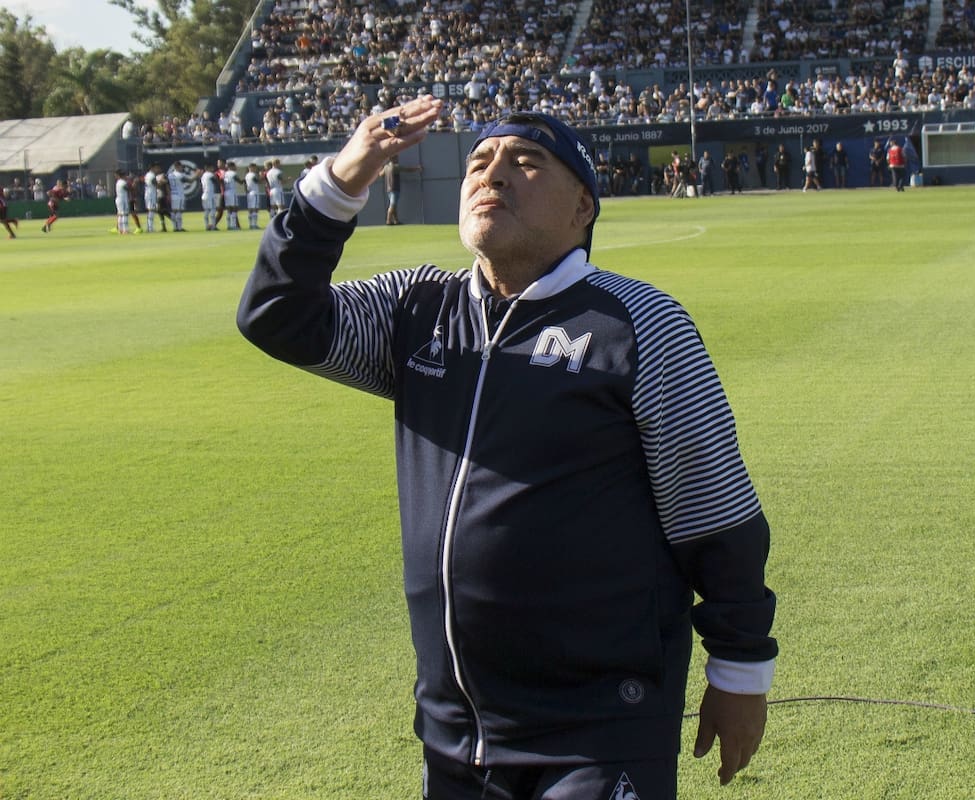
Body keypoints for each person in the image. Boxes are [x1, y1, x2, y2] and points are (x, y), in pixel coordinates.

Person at [237, 98, 777, 800]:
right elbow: (278, 316)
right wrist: (343, 178)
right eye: (479, 163)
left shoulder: (637, 323)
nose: (494, 174)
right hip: (453, 733)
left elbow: (715, 512)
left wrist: (739, 672)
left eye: (527, 163)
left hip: (598, 730)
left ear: (583, 206)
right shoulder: (416, 310)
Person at [222, 161, 241, 230]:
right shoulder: (233, 173)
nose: (235, 167)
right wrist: (244, 180)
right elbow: (240, 181)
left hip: (226, 192)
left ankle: (229, 225)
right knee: (234, 209)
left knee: (228, 210)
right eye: (234, 166)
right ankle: (233, 226)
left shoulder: (224, 174)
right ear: (232, 166)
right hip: (232, 192)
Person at [200, 163, 219, 230]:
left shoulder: (203, 175)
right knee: (213, 210)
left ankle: (206, 226)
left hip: (204, 195)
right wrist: (216, 176)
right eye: (211, 168)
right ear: (208, 168)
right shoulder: (210, 174)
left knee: (206, 211)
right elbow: (216, 181)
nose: (213, 169)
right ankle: (213, 226)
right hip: (210, 195)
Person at [143, 164, 160, 233]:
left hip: (148, 194)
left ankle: (149, 227)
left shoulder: (147, 174)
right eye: (156, 168)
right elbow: (155, 183)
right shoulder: (151, 175)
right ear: (153, 168)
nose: (157, 169)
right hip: (151, 194)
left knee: (151, 211)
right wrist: (161, 182)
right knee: (151, 211)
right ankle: (150, 228)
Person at [113, 170, 131, 234]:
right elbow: (127, 188)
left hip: (118, 199)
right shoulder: (123, 182)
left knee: (120, 214)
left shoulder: (118, 182)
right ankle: (125, 230)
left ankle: (120, 230)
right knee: (124, 214)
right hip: (122, 199)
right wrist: (130, 183)